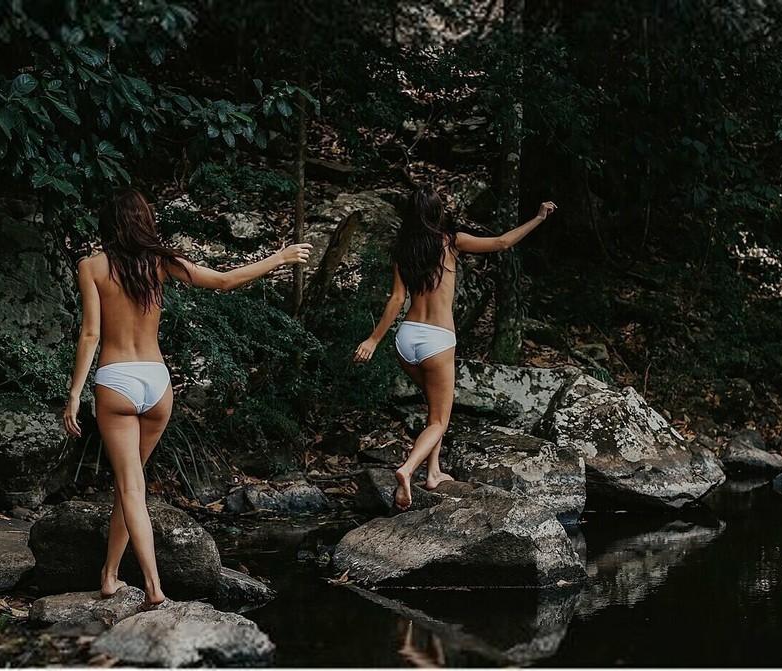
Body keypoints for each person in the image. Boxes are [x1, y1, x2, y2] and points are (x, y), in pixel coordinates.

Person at [63, 189, 311, 609]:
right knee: (132, 485)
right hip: (156, 383)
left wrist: (74, 394)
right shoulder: (160, 263)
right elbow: (225, 281)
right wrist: (279, 258)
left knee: (129, 485)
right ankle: (109, 575)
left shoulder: (92, 266)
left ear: (107, 225)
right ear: (143, 221)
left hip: (117, 379)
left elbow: (90, 333)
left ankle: (153, 587)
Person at [353, 185, 556, 509]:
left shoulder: (403, 250)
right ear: (437, 213)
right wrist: (538, 218)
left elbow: (397, 299)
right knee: (439, 420)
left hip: (406, 339)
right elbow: (502, 242)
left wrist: (373, 339)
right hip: (437, 341)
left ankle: (434, 472)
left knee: (434, 407)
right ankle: (408, 469)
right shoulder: (451, 242)